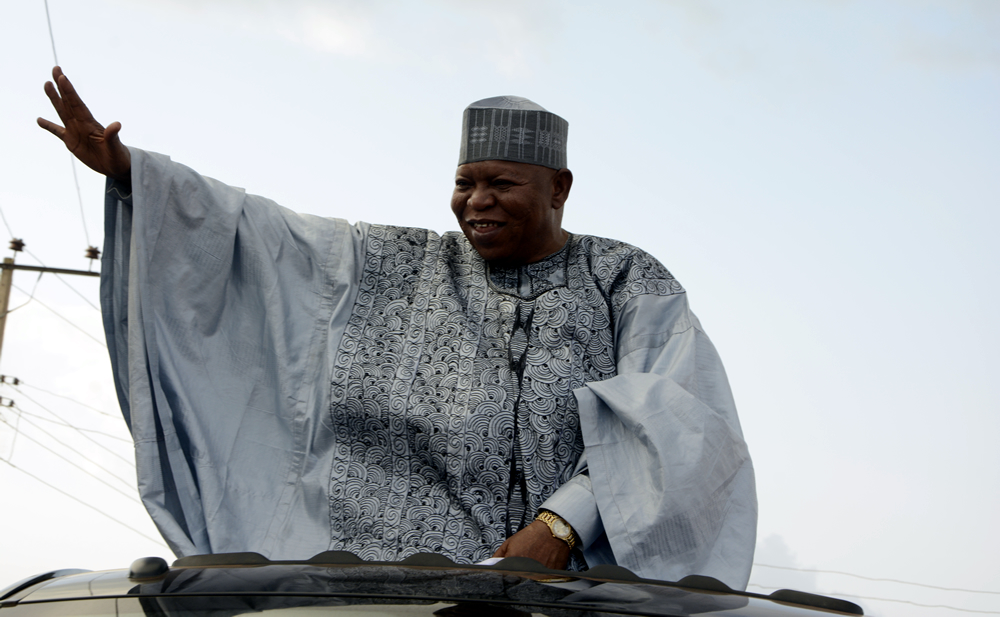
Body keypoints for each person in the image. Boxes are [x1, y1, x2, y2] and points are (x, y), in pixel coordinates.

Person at [38, 67, 758, 588]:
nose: (475, 201)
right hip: (389, 598)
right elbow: (261, 236)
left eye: (500, 183)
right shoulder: (394, 262)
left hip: (566, 598)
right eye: (463, 181)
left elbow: (674, 420)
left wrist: (559, 527)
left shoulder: (627, 280)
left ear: (558, 189)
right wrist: (132, 171)